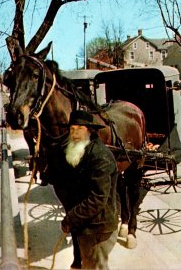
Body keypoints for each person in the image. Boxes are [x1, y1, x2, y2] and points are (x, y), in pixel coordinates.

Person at [48, 110, 119, 270]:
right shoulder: (81, 151)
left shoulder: (100, 156)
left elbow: (98, 198)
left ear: (90, 130)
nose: (75, 133)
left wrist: (71, 218)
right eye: (72, 129)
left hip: (98, 228)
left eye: (80, 128)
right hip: (87, 225)